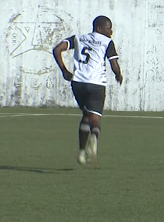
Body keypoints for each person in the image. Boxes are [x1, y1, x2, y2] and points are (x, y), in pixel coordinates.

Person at [52, 15, 123, 165]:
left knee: (86, 115)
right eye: (108, 28)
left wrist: (65, 70)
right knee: (95, 118)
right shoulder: (107, 42)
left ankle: (82, 153)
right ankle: (94, 139)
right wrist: (119, 75)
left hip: (78, 83)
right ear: (99, 28)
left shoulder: (78, 38)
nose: (111, 31)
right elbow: (114, 64)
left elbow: (57, 49)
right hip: (96, 84)